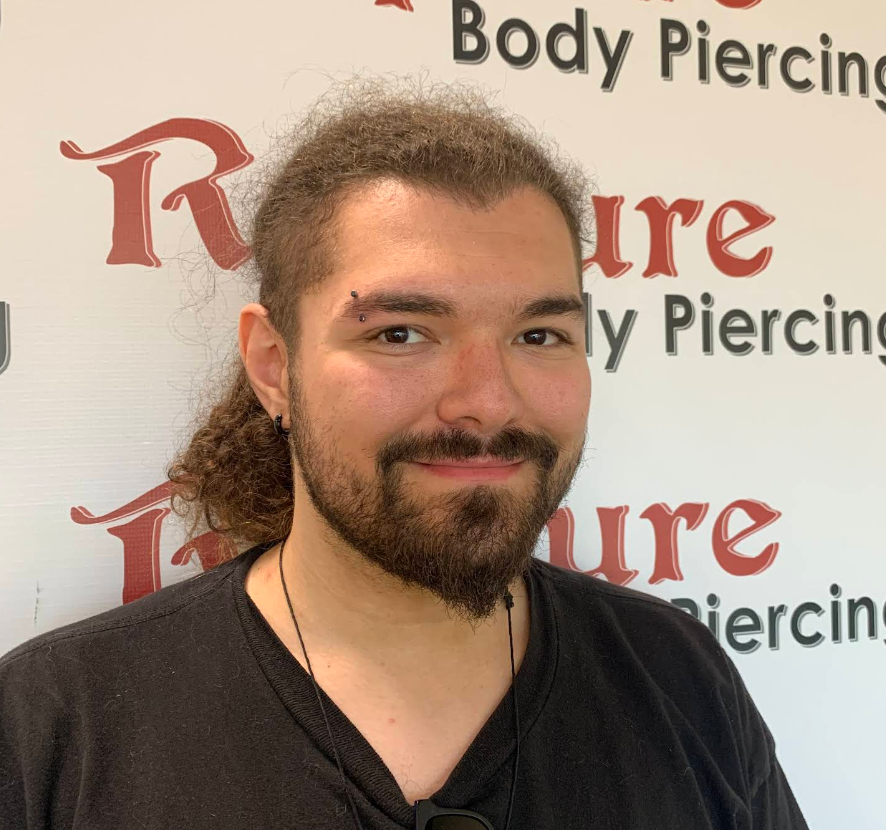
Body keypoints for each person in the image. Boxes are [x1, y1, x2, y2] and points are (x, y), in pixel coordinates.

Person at [0, 77, 809, 830]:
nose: (487, 400)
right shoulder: (58, 726)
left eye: (539, 334)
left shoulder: (679, 678)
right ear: (274, 367)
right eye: (400, 333)